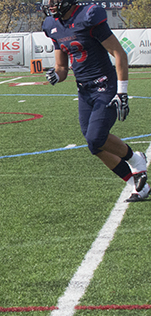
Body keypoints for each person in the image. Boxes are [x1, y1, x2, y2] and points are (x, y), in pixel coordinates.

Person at [42, 0, 148, 202]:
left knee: (95, 137)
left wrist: (122, 92)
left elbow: (119, 53)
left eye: (54, 1)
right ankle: (138, 186)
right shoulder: (52, 25)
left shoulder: (88, 16)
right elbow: (62, 67)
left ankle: (136, 160)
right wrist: (56, 75)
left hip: (105, 85)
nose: (50, 5)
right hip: (84, 91)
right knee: (95, 146)